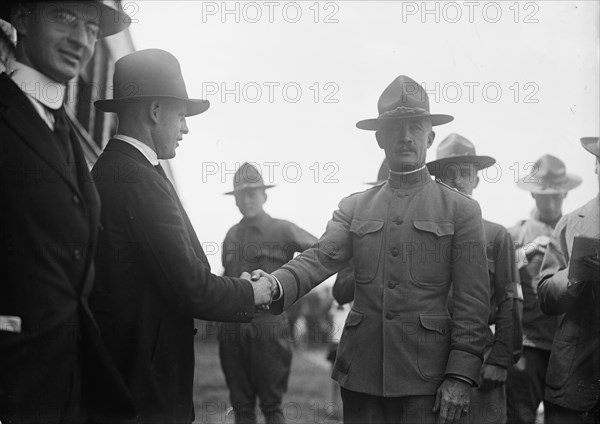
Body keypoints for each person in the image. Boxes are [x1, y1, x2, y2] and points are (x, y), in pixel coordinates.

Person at [253, 75, 490, 424]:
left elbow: (472, 304)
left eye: (415, 126)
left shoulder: (462, 211)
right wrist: (273, 284)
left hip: (426, 379)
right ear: (380, 137)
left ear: (431, 135)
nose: (406, 136)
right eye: (395, 127)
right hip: (362, 375)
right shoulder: (354, 207)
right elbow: (319, 258)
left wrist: (459, 375)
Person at [90, 49, 276, 424]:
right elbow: (190, 286)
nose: (186, 128)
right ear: (155, 111)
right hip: (145, 390)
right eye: (181, 115)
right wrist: (253, 293)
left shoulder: (123, 169)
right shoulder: (138, 179)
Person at [0, 2, 134, 423]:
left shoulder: (62, 130)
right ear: (21, 19)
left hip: (66, 382)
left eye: (92, 28)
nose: (81, 40)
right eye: (64, 17)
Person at [426, 133, 523, 424]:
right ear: (436, 181)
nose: (457, 181)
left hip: (480, 359)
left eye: (465, 173)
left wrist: (500, 359)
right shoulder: (423, 234)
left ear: (477, 180)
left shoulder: (496, 236)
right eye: (448, 174)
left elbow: (510, 299)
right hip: (428, 356)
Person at [218, 162, 317, 424]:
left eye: (252, 193)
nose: (246, 200)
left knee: (272, 406)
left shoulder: (282, 229)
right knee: (242, 406)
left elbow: (320, 255)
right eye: (241, 195)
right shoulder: (231, 235)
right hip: (232, 328)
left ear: (265, 195)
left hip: (268, 328)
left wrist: (289, 291)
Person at [505, 154, 582, 424]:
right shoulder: (515, 235)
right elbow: (490, 274)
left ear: (564, 194)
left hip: (568, 351)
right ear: (533, 196)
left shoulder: (577, 231)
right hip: (528, 349)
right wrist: (525, 253)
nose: (550, 203)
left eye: (556, 196)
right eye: (543, 196)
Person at [537, 137, 600, 424]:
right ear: (597, 166)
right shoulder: (573, 222)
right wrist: (574, 276)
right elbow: (546, 296)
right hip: (575, 383)